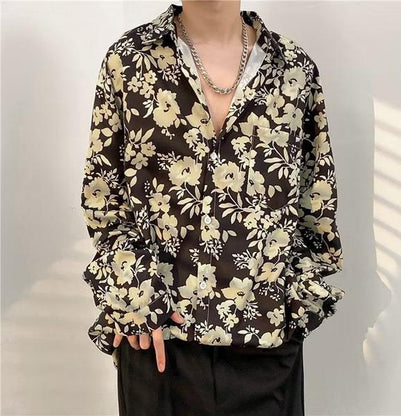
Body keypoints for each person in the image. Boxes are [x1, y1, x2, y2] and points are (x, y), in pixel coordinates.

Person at [80, 1, 345, 415]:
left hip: (266, 349)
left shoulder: (294, 70)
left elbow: (317, 203)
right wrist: (131, 290)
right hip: (158, 341)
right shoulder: (129, 60)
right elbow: (103, 195)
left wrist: (291, 297)